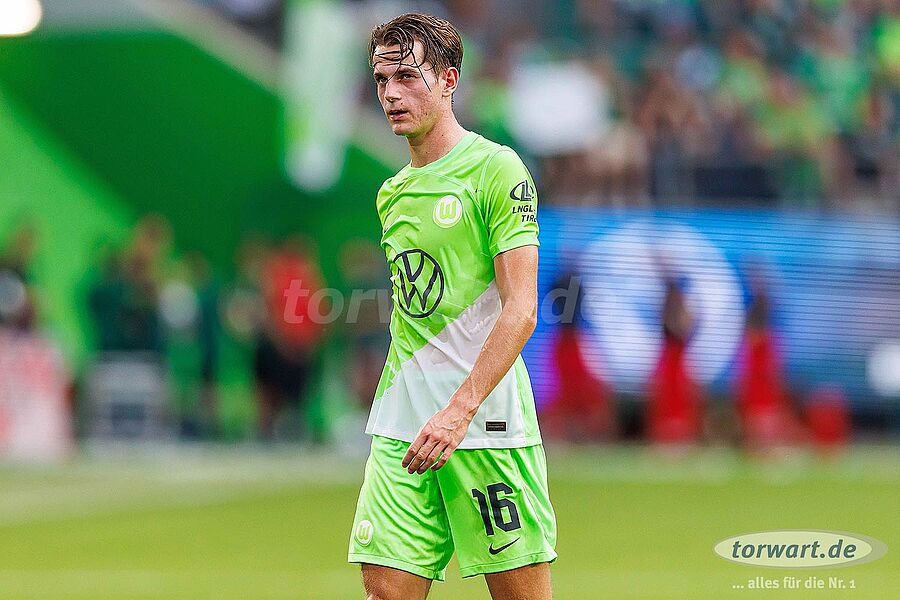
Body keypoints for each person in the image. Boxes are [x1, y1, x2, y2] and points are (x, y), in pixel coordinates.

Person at [348, 13, 556, 600]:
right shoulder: (392, 193)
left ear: (448, 79)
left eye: (407, 77)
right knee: (386, 590)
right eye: (381, 80)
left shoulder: (497, 169)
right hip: (404, 422)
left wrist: (459, 411)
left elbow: (521, 308)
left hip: (486, 425)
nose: (391, 94)